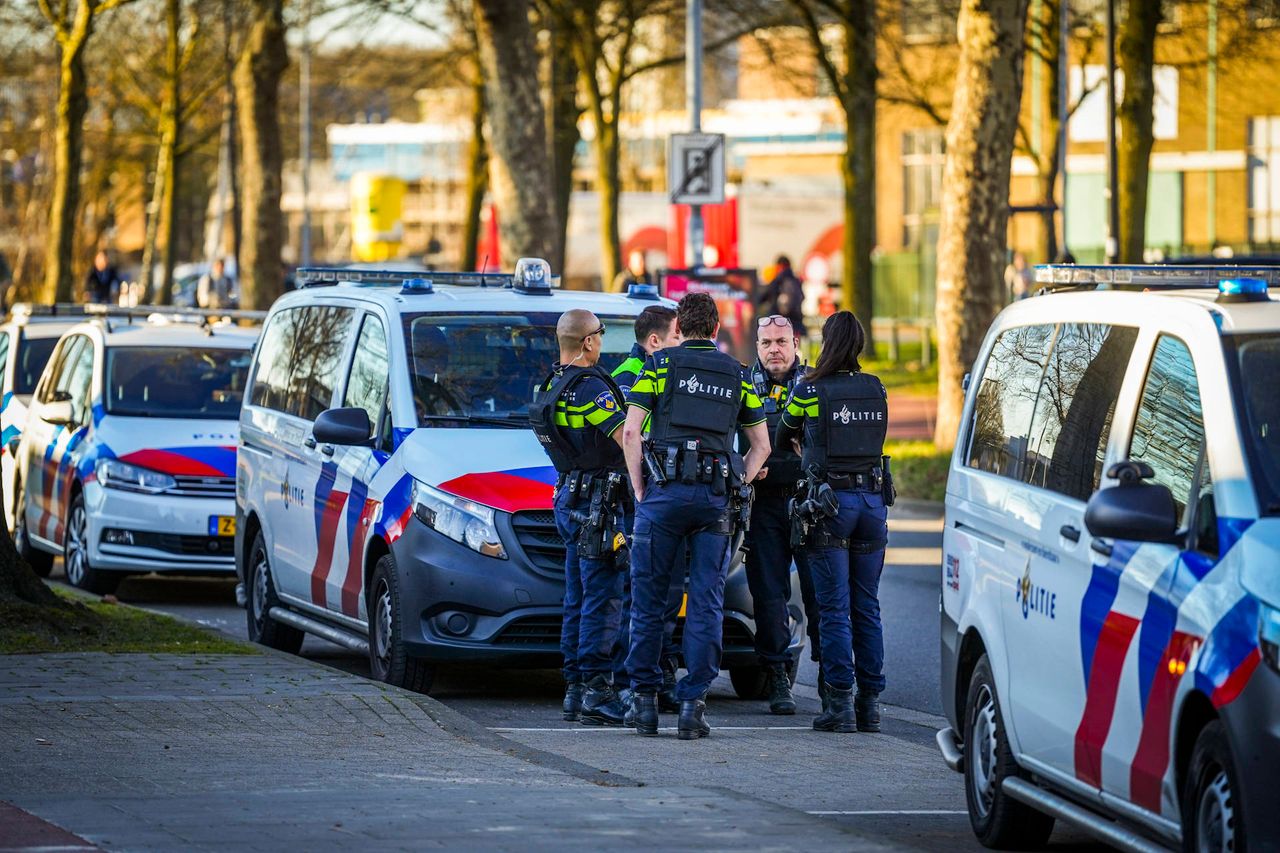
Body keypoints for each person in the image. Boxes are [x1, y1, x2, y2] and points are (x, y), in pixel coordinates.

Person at [622, 292, 770, 739]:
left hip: (663, 497)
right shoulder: (738, 374)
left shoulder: (659, 365)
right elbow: (761, 445)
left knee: (648, 599)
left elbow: (631, 431)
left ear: (680, 328)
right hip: (714, 501)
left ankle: (645, 705)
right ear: (718, 328)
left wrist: (640, 487)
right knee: (705, 602)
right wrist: (737, 484)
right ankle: (693, 705)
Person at [776, 310, 890, 735]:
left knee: (834, 609)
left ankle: (839, 702)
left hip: (829, 507)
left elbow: (781, 433)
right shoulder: (876, 388)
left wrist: (804, 440)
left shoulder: (810, 389)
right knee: (868, 606)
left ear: (826, 342)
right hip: (873, 504)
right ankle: (870, 705)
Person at [530, 308, 630, 727]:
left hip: (570, 497)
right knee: (604, 597)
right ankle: (598, 689)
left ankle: (574, 688)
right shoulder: (591, 388)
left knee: (577, 596)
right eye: (600, 336)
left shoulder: (552, 383)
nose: (601, 344)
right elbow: (627, 438)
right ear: (589, 341)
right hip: (600, 506)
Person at [740, 315, 821, 715]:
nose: (775, 349)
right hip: (762, 507)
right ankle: (778, 676)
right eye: (767, 342)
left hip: (808, 503)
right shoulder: (740, 385)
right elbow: (736, 450)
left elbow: (822, 454)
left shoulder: (815, 384)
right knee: (769, 596)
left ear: (795, 343)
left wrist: (776, 463)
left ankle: (831, 679)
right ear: (756, 345)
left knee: (821, 594)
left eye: (782, 341)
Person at [610, 305, 684, 715]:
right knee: (639, 596)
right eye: (677, 337)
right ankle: (628, 680)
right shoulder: (628, 377)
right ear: (655, 341)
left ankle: (661, 675)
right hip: (641, 499)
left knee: (669, 595)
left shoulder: (667, 372)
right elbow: (631, 438)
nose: (682, 344)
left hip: (667, 499)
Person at [759, 255, 806, 338]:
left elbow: (763, 297)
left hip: (779, 324)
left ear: (779, 266)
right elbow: (802, 297)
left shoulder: (778, 280)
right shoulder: (796, 281)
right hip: (797, 324)